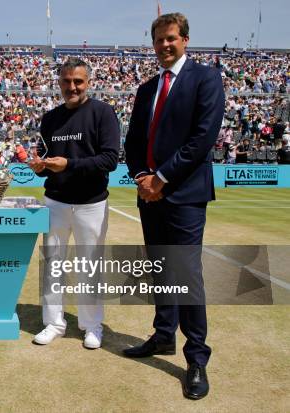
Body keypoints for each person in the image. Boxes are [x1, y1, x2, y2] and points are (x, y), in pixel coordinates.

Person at [123, 13, 225, 400]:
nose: (164, 46)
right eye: (159, 41)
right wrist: (142, 178)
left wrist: (162, 179)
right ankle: (163, 335)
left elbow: (203, 139)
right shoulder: (147, 88)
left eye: (171, 39)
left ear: (185, 40)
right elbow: (133, 141)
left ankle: (196, 358)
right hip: (149, 192)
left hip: (183, 194)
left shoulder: (205, 78)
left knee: (186, 272)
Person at [29, 57, 120, 349]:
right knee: (52, 265)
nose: (72, 87)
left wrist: (67, 164)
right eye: (67, 81)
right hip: (55, 200)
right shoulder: (50, 118)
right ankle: (53, 323)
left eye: (78, 81)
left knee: (89, 266)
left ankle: (92, 326)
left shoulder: (103, 113)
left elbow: (110, 160)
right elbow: (47, 157)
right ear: (59, 83)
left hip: (91, 203)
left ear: (88, 82)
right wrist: (40, 165)